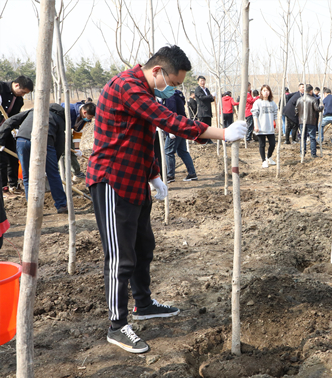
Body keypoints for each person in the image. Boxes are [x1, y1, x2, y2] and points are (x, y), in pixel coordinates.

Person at [86, 45, 246, 353]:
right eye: (171, 83)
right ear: (157, 71)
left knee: (143, 246)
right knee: (120, 257)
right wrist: (221, 133)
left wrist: (154, 174)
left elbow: (142, 137)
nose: (171, 89)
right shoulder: (127, 87)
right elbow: (167, 120)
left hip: (134, 181)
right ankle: (117, 326)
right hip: (112, 180)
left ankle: (143, 304)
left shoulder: (143, 92)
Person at [0, 103, 68, 213]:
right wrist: (52, 164)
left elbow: (10, 121)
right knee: (53, 175)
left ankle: (33, 208)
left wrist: (1, 140)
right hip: (45, 142)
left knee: (27, 176)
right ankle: (62, 205)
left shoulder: (34, 110)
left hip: (22, 140)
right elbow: (60, 145)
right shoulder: (59, 119)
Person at [0, 76, 33, 194]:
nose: (23, 95)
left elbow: (15, 116)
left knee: (13, 156)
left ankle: (14, 185)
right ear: (17, 85)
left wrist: (17, 129)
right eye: (23, 92)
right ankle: (3, 187)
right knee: (2, 159)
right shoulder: (2, 88)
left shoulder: (19, 100)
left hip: (7, 130)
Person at [162, 89, 198, 182]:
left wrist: (171, 129)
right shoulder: (177, 95)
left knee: (168, 151)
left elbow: (171, 113)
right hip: (182, 125)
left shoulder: (170, 96)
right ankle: (192, 173)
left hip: (175, 128)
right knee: (182, 151)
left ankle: (170, 176)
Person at [60, 100, 95, 181]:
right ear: (85, 112)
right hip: (57, 129)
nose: (90, 119)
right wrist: (62, 138)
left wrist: (77, 149)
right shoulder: (68, 110)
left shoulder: (84, 118)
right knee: (61, 153)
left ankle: (77, 173)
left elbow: (77, 132)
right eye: (90, 117)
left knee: (72, 152)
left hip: (67, 131)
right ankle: (62, 176)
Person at [252, 84, 278, 168]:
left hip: (270, 127)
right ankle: (263, 161)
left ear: (270, 92)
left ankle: (269, 157)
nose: (266, 92)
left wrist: (276, 126)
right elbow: (255, 115)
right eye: (264, 90)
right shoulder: (258, 102)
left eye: (267, 90)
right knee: (262, 145)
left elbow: (275, 115)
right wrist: (256, 125)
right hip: (261, 127)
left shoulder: (272, 103)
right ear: (261, 92)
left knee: (273, 144)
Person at [295, 84, 323, 157]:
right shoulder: (313, 99)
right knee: (312, 137)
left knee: (302, 138)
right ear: (311, 91)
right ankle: (313, 154)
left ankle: (302, 153)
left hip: (302, 121)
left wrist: (300, 115)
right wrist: (322, 107)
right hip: (311, 121)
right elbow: (317, 109)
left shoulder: (299, 99)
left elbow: (296, 110)